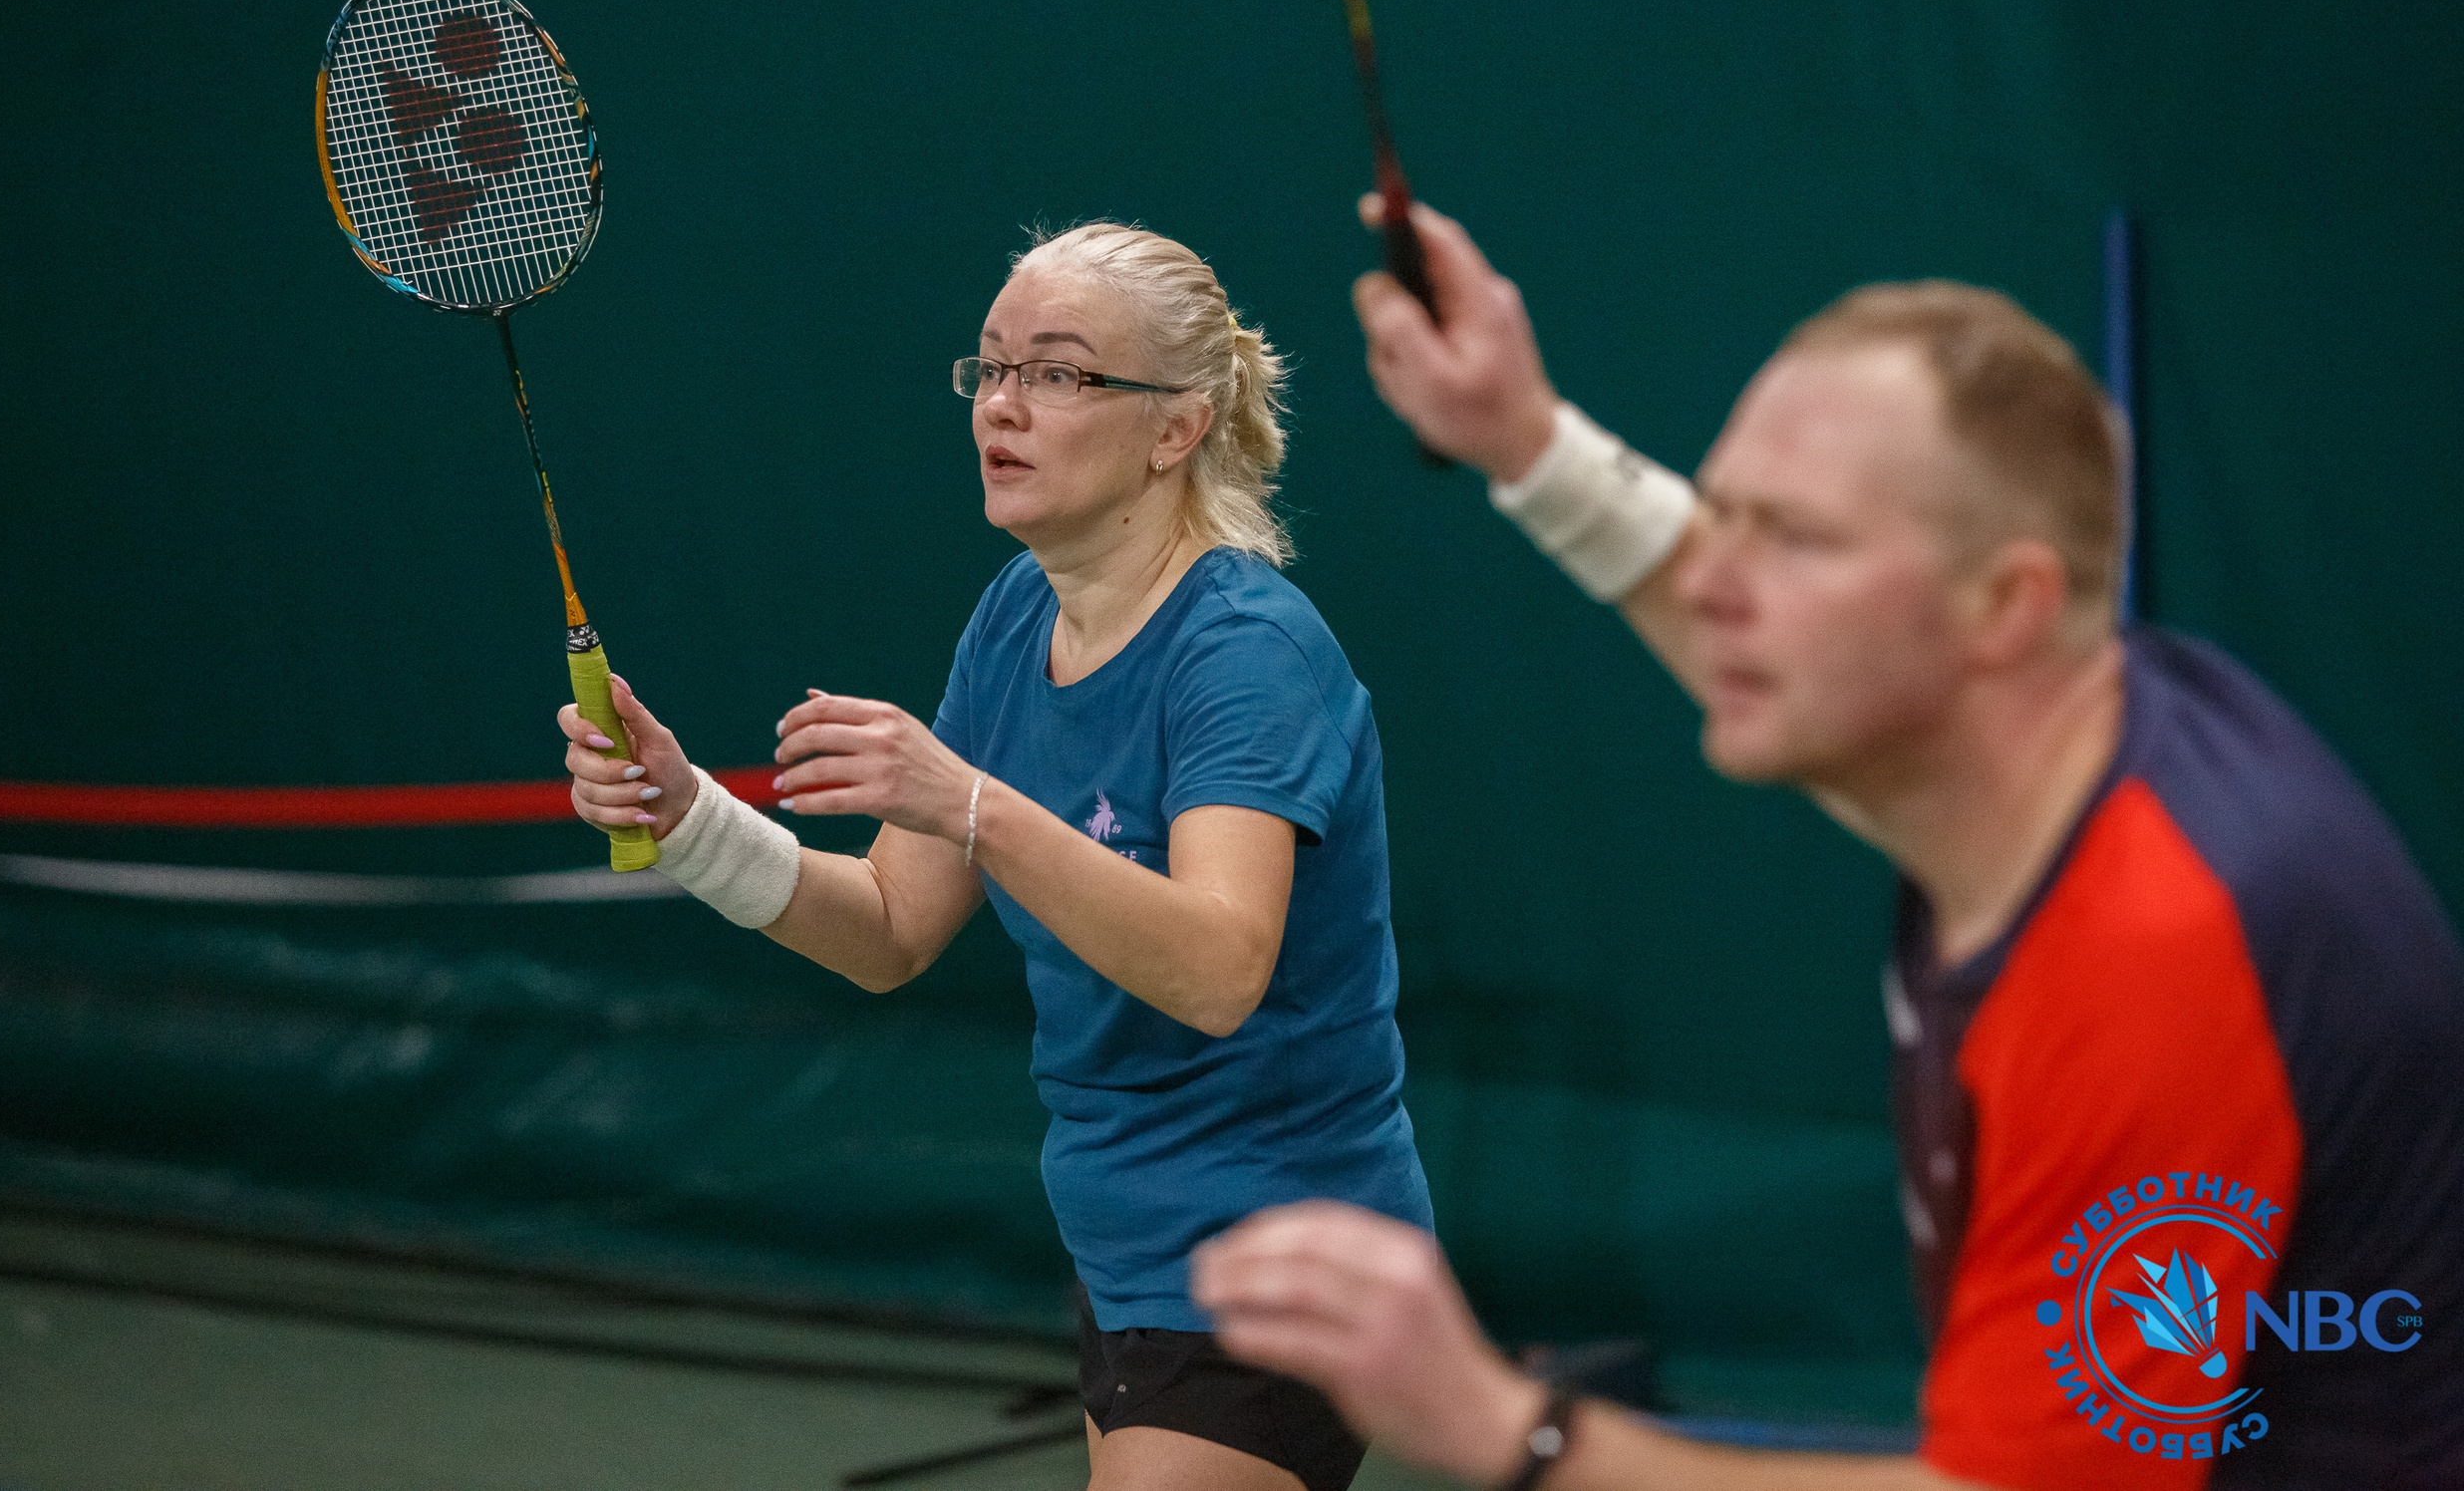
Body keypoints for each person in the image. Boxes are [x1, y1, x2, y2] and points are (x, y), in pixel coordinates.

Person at [1189, 200, 2464, 1490]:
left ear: (2004, 602)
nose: (1713, 582)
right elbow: (1790, 646)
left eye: (1791, 537)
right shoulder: (2060, 736)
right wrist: (1524, 437)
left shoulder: (2153, 957)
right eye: (1727, 514)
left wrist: (1505, 1427)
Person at [560, 222, 1431, 1491]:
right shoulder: (1020, 609)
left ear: (1176, 427)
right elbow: (890, 930)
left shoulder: (1245, 655)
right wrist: (693, 817)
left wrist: (973, 803)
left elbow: (1219, 967)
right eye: (991, 368)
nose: (1005, 406)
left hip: (1279, 1258)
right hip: (1124, 1245)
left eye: (1063, 374)